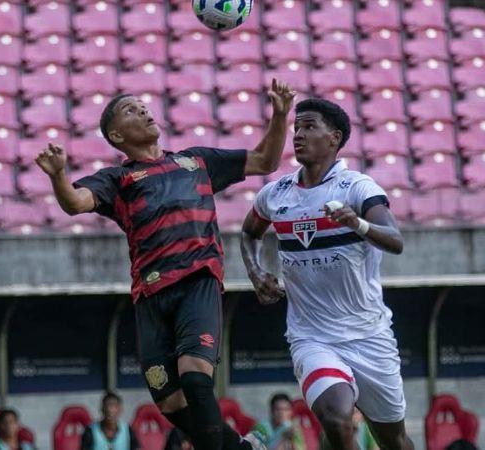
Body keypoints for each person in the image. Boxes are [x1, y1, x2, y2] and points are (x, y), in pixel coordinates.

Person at [36, 78, 296, 450]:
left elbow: (264, 160)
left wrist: (280, 116)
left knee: (195, 378)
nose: (143, 110)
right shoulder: (119, 179)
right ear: (116, 135)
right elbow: (75, 203)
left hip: (197, 281)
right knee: (170, 402)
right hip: (151, 295)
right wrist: (59, 175)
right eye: (130, 109)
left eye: (143, 105)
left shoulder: (196, 161)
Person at [240, 98, 414, 450]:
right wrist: (256, 273)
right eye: (296, 128)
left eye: (309, 127)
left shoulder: (357, 188)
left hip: (369, 335)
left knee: (394, 440)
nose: (298, 135)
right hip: (313, 337)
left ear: (334, 138)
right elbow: (249, 232)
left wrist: (357, 222)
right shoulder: (275, 194)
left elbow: (395, 240)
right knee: (336, 418)